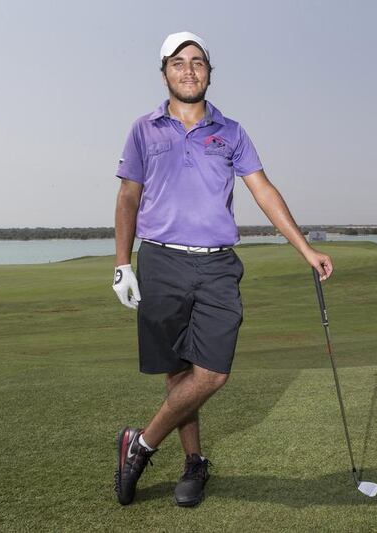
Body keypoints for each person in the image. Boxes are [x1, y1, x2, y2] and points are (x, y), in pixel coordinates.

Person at [111, 31, 333, 507]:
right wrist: (121, 264)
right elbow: (128, 195)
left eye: (198, 62)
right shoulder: (143, 129)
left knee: (211, 374)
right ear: (164, 72)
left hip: (216, 267)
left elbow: (264, 191)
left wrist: (306, 250)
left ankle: (140, 444)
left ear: (209, 72)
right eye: (178, 62)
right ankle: (193, 464)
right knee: (176, 373)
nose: (188, 69)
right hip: (160, 261)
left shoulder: (231, 131)